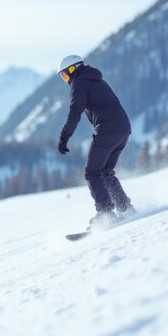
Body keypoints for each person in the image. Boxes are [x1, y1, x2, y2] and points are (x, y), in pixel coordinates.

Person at [56, 55, 135, 229]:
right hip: (123, 129)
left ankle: (106, 213)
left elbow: (75, 112)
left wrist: (64, 137)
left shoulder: (79, 82)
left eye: (65, 75)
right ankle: (125, 208)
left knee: (92, 172)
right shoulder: (95, 79)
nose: (66, 80)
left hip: (108, 130)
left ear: (72, 69)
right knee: (105, 172)